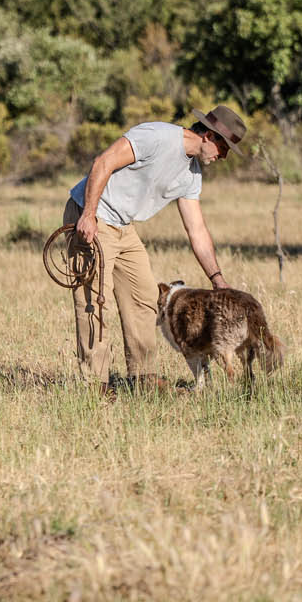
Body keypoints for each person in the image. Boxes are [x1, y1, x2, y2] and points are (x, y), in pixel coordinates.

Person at [63, 104, 247, 393]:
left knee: (145, 297)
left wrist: (218, 280)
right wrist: (87, 214)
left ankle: (144, 380)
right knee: (94, 300)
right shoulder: (157, 136)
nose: (223, 157)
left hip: (124, 225)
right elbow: (103, 163)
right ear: (209, 136)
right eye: (224, 149)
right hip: (93, 215)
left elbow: (196, 230)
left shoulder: (192, 175)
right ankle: (95, 386)